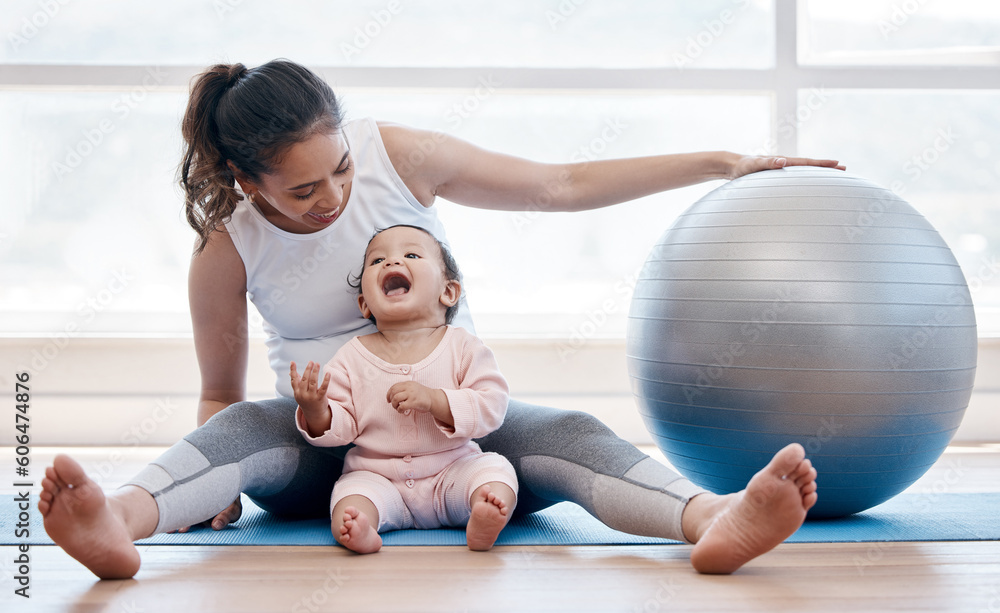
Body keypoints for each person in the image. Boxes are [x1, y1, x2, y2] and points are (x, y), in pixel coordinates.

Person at [39, 59, 826, 580]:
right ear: (248, 180)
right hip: (331, 449)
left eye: (341, 167)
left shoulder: (400, 157)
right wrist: (220, 490)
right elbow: (219, 393)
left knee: (569, 429)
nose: (336, 196)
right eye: (305, 190)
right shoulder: (227, 246)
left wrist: (724, 163)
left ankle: (713, 517)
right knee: (246, 425)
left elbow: (559, 185)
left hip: (464, 440)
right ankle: (119, 520)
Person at [290, 224, 518, 553]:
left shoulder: (463, 347)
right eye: (377, 260)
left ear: (448, 292)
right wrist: (316, 410)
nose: (391, 263)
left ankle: (483, 511)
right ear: (364, 304)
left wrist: (436, 400)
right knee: (349, 495)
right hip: (378, 477)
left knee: (495, 470)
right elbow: (342, 425)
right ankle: (361, 528)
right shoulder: (352, 356)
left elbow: (492, 405)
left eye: (411, 254)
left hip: (452, 471)